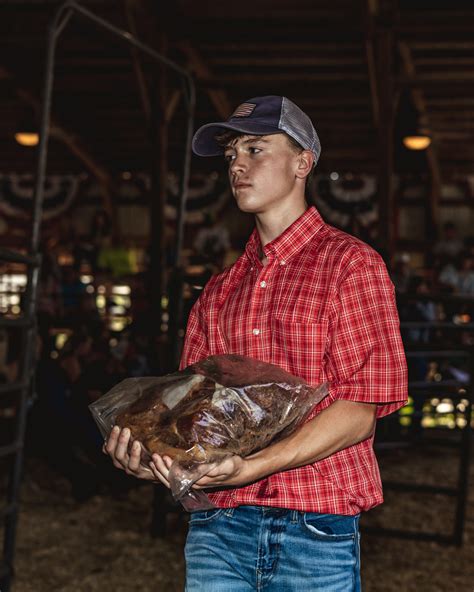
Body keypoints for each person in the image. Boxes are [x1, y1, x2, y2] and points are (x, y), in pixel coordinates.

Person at [105, 95, 408, 591]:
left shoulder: (351, 266)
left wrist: (250, 467)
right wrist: (156, 457)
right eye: (231, 156)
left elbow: (360, 410)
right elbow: (196, 419)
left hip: (313, 524)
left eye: (255, 149)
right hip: (217, 528)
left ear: (302, 162)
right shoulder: (219, 291)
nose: (237, 165)